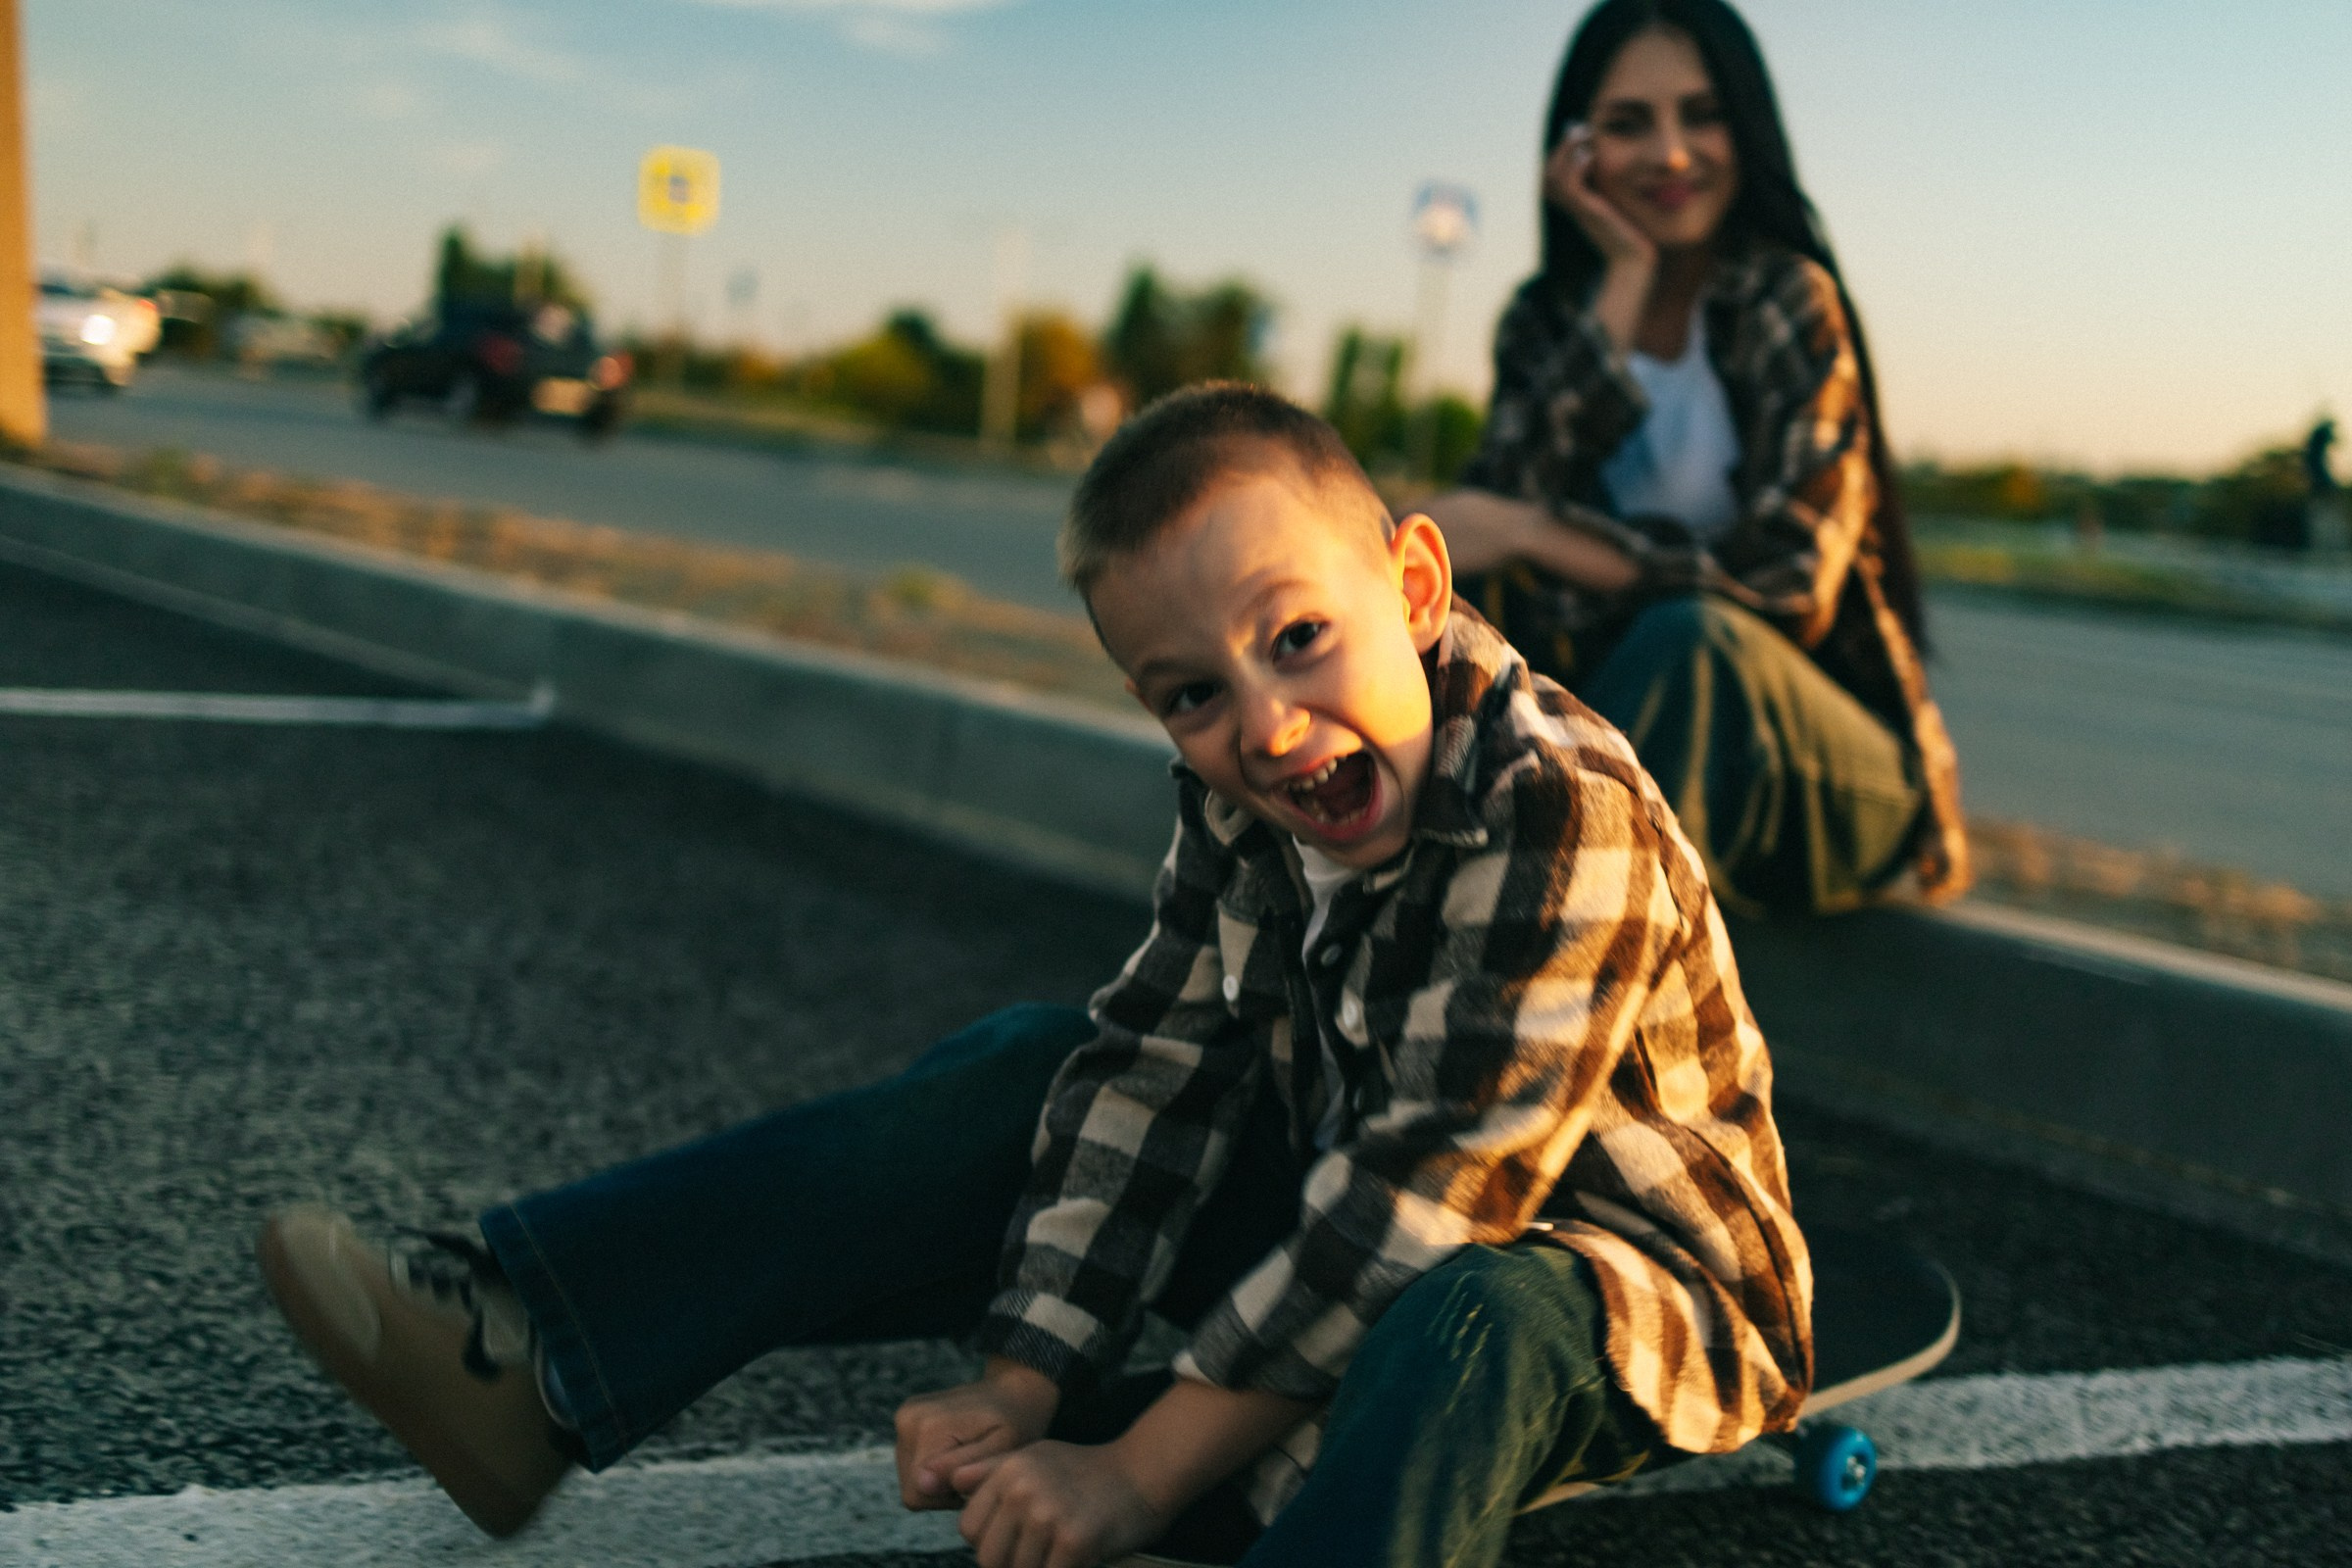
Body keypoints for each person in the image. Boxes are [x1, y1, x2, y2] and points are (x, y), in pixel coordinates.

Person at [257, 385, 1810, 1568]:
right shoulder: (1246, 798)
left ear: (1415, 586)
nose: (1265, 726)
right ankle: (523, 1354)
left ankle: (1221, 1469)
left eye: (1300, 638)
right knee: (1032, 1059)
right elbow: (1158, 1072)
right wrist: (1026, 1380)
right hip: (1350, 1217)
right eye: (1193, 694)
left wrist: (1132, 1472)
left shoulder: (1556, 809)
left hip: (1609, 1279)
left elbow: (1428, 1208)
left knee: (1469, 1315)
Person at [1425, 0, 1969, 917]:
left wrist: (1548, 539)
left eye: (1701, 115)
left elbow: (1790, 586)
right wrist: (1625, 276)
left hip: (1818, 767)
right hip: (1613, 744)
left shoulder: (1788, 302)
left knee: (1693, 642)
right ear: (1577, 149)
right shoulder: (1544, 319)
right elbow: (1490, 527)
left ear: (1746, 127)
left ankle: (1555, 996)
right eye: (1629, 123)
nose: (1671, 154)